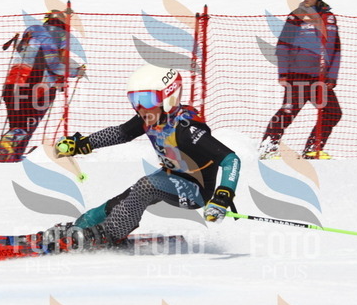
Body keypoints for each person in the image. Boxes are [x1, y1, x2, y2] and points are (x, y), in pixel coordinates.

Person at [42, 64, 241, 250]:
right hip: (170, 176)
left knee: (145, 186)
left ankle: (109, 234)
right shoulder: (151, 117)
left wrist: (222, 196)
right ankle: (80, 227)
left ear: (169, 98)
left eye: (147, 100)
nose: (140, 107)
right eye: (135, 100)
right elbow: (120, 133)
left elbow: (231, 160)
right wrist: (83, 143)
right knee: (119, 203)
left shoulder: (186, 130)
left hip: (195, 190)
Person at [0, 10, 86, 162]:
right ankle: (2, 151)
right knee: (22, 128)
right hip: (31, 87)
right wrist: (75, 72)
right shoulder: (51, 37)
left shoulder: (32, 34)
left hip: (12, 86)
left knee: (18, 126)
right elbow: (54, 64)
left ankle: (8, 155)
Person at [258, 0, 342, 160]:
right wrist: (283, 73)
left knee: (332, 112)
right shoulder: (296, 15)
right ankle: (268, 147)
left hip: (320, 78)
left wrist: (332, 76)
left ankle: (313, 149)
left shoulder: (329, 18)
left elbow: (336, 50)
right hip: (298, 75)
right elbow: (283, 46)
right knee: (288, 111)